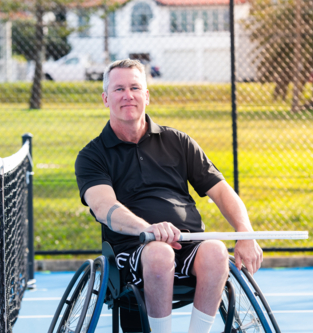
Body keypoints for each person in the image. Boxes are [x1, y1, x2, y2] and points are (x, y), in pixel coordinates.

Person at [75, 59, 263, 333]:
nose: (128, 95)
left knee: (216, 251)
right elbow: (104, 207)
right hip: (133, 249)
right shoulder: (92, 155)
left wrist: (245, 233)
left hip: (187, 242)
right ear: (106, 98)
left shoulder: (178, 141)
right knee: (160, 254)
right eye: (118, 89)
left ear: (147, 96)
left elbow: (222, 191)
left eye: (135, 87)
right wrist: (148, 229)